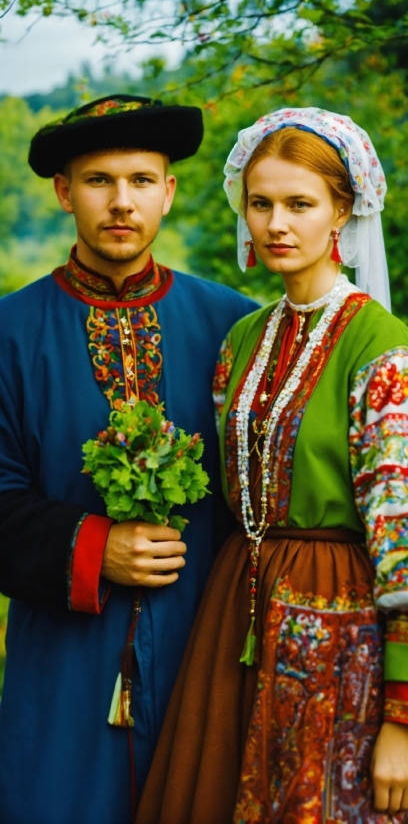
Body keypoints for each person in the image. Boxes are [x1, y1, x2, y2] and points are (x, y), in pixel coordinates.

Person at [136, 107, 408, 824]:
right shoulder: (243, 340)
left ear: (344, 210)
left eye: (300, 204)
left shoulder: (383, 350)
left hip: (343, 629)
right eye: (261, 203)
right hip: (236, 617)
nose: (276, 223)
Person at [0, 94, 257, 824]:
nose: (121, 202)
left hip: (203, 654)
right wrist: (92, 547)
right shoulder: (8, 334)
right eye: (98, 181)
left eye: (142, 181)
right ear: (62, 191)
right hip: (60, 667)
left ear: (169, 192)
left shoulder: (235, 327)